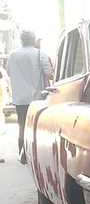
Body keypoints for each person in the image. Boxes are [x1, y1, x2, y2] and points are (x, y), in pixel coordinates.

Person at [7, 30, 53, 164]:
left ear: (22, 40)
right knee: (37, 127)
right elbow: (49, 73)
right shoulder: (40, 54)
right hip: (37, 98)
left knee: (22, 125)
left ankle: (23, 155)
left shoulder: (13, 55)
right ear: (33, 40)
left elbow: (10, 72)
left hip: (20, 98)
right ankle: (36, 154)